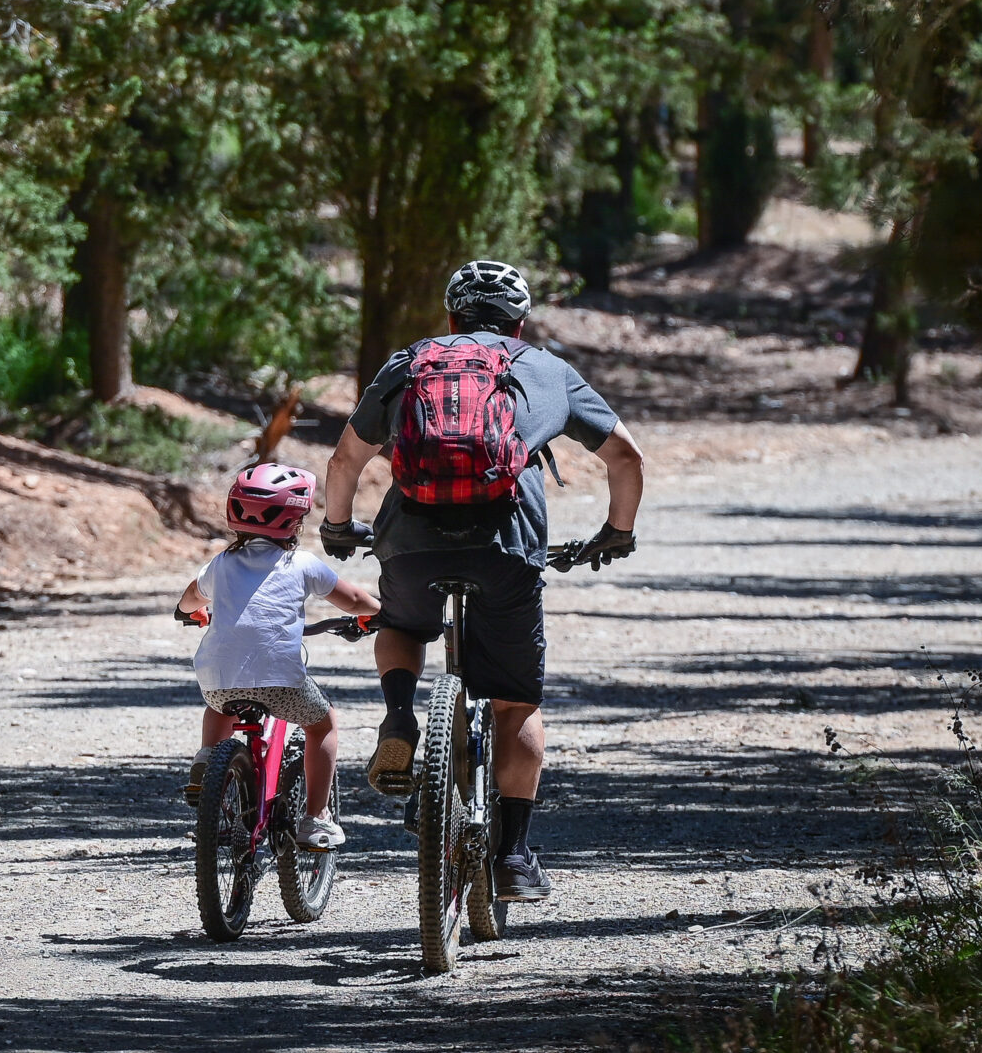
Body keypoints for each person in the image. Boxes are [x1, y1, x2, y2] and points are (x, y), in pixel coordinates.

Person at [318, 258, 645, 903]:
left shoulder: (411, 361)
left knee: (403, 623)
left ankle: (402, 719)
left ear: (450, 317)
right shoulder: (546, 369)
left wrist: (336, 528)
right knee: (516, 702)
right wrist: (617, 531)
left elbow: (346, 458)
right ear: (520, 324)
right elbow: (626, 458)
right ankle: (514, 856)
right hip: (506, 545)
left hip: (411, 541)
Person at [178, 462, 382, 852]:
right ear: (294, 523)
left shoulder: (220, 564)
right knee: (323, 724)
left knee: (221, 706)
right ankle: (316, 819)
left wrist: (191, 612)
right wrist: (378, 612)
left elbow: (191, 598)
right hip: (281, 682)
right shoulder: (301, 563)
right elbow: (354, 599)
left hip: (219, 680)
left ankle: (208, 763)